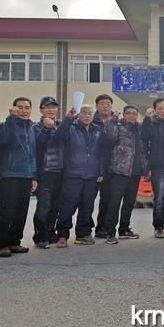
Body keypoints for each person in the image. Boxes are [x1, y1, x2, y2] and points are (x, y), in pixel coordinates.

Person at [55, 105, 104, 247]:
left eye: (90, 113)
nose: (87, 116)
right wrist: (68, 118)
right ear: (79, 115)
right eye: (84, 113)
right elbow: (59, 135)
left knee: (87, 206)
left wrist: (101, 172)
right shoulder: (71, 128)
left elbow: (101, 153)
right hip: (73, 174)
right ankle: (62, 235)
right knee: (68, 205)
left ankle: (82, 234)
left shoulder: (98, 130)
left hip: (92, 175)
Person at [0, 97, 38, 257]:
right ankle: (1, 245)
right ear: (13, 108)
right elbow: (3, 141)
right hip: (9, 174)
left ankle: (14, 242)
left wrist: (33, 176)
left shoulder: (31, 128)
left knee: (21, 211)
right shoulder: (6, 125)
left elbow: (33, 155)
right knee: (7, 211)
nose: (24, 111)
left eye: (27, 108)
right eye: (20, 107)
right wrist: (11, 119)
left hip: (26, 175)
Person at [103, 104, 148, 244]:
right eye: (129, 113)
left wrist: (145, 169)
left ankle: (124, 229)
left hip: (135, 172)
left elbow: (144, 149)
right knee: (115, 202)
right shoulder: (118, 126)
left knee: (129, 202)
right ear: (123, 114)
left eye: (134, 113)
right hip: (119, 170)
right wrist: (113, 119)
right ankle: (110, 232)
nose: (132, 116)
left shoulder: (140, 128)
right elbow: (110, 137)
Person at [141, 98, 164, 238]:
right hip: (159, 168)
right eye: (159, 108)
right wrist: (146, 118)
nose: (163, 111)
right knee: (159, 199)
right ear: (155, 110)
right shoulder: (151, 124)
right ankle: (158, 227)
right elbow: (143, 136)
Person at [32, 96, 64, 249]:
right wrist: (46, 128)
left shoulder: (62, 126)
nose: (51, 110)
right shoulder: (35, 127)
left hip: (60, 172)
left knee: (55, 206)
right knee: (44, 206)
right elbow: (37, 147)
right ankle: (40, 236)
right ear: (41, 110)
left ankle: (51, 232)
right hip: (44, 173)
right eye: (47, 107)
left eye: (54, 107)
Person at [93, 94, 116, 239]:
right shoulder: (91, 120)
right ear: (97, 106)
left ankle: (102, 227)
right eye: (102, 103)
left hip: (110, 165)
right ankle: (83, 230)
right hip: (93, 165)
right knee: (87, 200)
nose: (106, 106)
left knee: (107, 198)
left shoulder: (116, 121)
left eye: (108, 104)